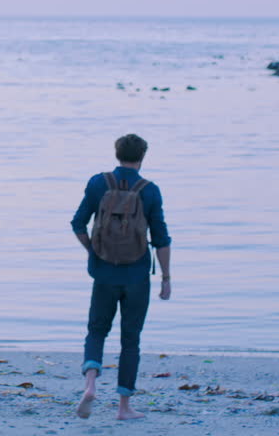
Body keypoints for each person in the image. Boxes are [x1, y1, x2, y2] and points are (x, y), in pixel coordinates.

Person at [70, 133, 172, 420]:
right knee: (131, 339)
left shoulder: (98, 183)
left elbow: (78, 223)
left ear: (117, 153)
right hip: (137, 274)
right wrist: (166, 277)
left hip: (103, 272)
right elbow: (161, 238)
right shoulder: (150, 190)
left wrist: (93, 251)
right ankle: (124, 407)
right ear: (142, 157)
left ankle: (90, 384)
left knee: (96, 330)